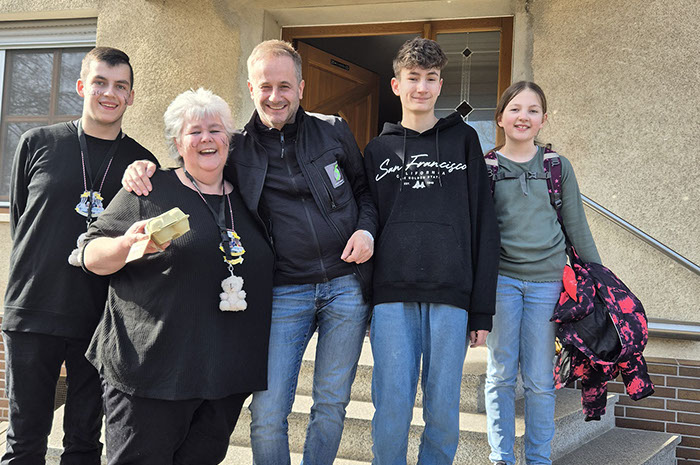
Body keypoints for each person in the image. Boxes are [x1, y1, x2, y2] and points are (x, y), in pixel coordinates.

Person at [121, 40, 376, 465]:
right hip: (283, 291)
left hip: (345, 285)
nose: (275, 96)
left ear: (301, 87)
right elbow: (194, 168)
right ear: (251, 88)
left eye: (285, 86)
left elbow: (365, 191)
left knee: (331, 404)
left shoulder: (334, 130)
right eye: (265, 87)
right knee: (267, 412)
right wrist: (142, 166)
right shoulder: (236, 147)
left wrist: (366, 230)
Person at [81, 88, 274, 464]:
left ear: (229, 139)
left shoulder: (249, 197)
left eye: (215, 129)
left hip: (224, 378)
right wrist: (126, 245)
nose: (206, 138)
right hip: (151, 373)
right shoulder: (149, 190)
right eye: (194, 131)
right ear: (176, 142)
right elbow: (89, 254)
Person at [2, 47, 158, 465]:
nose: (110, 93)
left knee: (85, 444)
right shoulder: (37, 143)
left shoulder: (142, 164)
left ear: (131, 96)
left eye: (120, 86)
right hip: (33, 308)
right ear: (81, 86)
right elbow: (22, 222)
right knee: (24, 443)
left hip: (101, 318)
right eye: (100, 82)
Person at [362, 38, 500, 464]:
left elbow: (484, 225)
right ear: (396, 85)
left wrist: (482, 311)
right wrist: (365, 302)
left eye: (431, 78)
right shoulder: (377, 150)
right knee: (391, 407)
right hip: (391, 295)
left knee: (443, 410)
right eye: (413, 78)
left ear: (441, 85)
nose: (421, 87)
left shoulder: (464, 141)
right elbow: (367, 222)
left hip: (451, 294)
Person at [483, 81, 601, 465]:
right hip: (500, 281)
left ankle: (538, 459)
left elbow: (577, 227)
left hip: (547, 284)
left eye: (532, 110)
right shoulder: (486, 167)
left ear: (543, 119)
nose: (524, 117)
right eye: (515, 109)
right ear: (500, 118)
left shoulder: (556, 167)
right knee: (500, 374)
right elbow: (475, 233)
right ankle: (501, 457)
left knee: (538, 379)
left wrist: (601, 282)